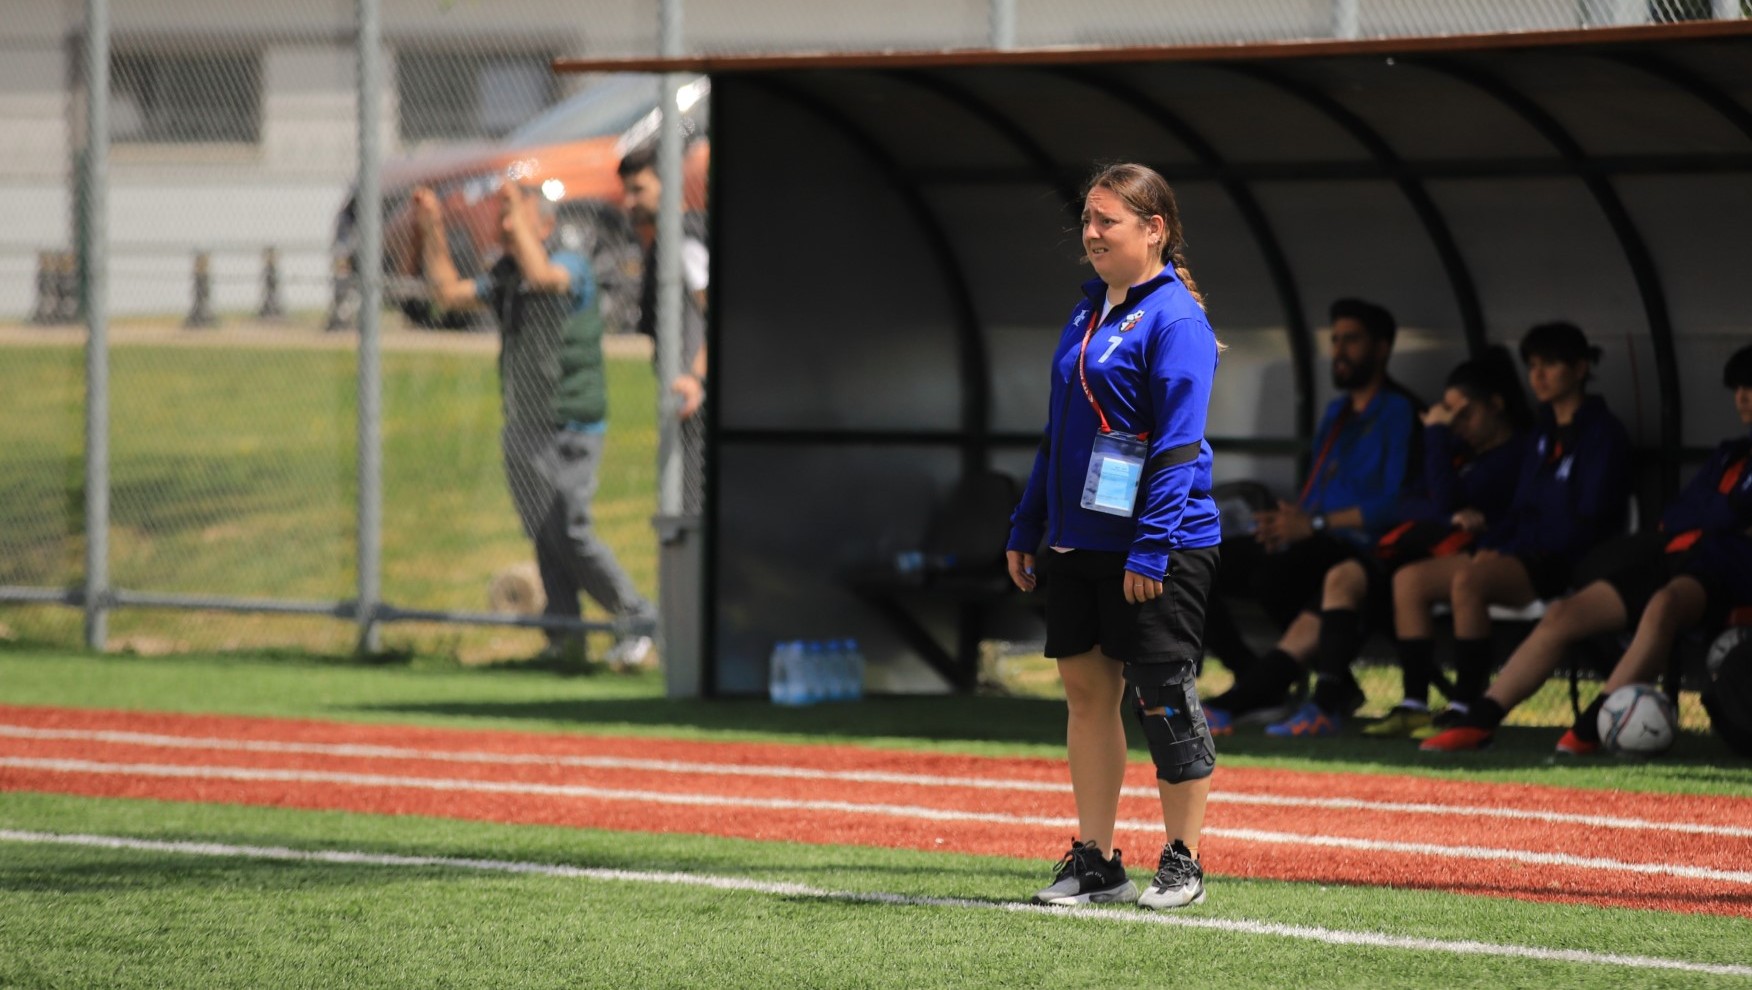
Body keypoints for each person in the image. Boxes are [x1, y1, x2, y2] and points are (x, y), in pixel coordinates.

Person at [1007, 163, 1222, 910]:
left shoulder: (1177, 319)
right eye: (1089, 221)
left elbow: (1177, 444)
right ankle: (1097, 860)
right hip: (1077, 542)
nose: (1091, 234)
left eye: (1109, 222)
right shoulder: (1087, 309)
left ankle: (1184, 860)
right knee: (1085, 693)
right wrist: (1029, 523)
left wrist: (1152, 545)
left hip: (1158, 544)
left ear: (1154, 229)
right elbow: (1057, 431)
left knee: (1162, 694)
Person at [1421, 343, 1752, 752]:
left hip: (1730, 567)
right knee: (1566, 613)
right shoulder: (1729, 453)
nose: (1743, 397)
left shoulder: (1601, 431)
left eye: (1751, 388)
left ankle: (1595, 725)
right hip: (1677, 554)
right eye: (1738, 388)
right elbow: (1679, 514)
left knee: (1664, 605)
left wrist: (1718, 516)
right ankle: (1480, 719)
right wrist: (1723, 515)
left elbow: (1716, 514)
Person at [414, 182, 657, 668]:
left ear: (544, 226)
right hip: (523, 423)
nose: (504, 225)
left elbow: (544, 278)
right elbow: (446, 294)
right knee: (546, 536)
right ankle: (564, 640)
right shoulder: (506, 275)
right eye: (503, 218)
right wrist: (432, 229)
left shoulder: (570, 265)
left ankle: (639, 620)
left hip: (572, 423)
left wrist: (516, 214)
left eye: (516, 217)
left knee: (570, 531)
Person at [1256, 349, 1533, 738]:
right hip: (1447, 554)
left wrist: (1435, 434)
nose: (1457, 426)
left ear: (1496, 405)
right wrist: (1448, 511)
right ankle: (1414, 703)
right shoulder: (1460, 454)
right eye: (1448, 416)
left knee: (1446, 579)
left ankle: (1465, 702)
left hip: (1502, 556)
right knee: (1402, 579)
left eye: (1464, 414)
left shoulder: (1517, 451)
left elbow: (1449, 499)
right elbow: (1418, 502)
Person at [1392, 322, 1631, 735]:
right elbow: (1521, 506)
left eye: (1550, 365)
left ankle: (1467, 702)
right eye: (1533, 365)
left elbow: (1587, 517)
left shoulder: (1602, 433)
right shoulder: (1540, 432)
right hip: (1519, 550)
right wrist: (1499, 543)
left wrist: (1511, 548)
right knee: (1410, 580)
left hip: (1561, 560)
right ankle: (1413, 702)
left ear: (1579, 368)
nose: (1538, 376)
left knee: (1469, 579)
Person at [1201, 298, 1423, 727]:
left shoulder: (1400, 412)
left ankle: (1279, 693)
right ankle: (1252, 675)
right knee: (1196, 566)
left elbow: (1396, 504)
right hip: (1312, 540)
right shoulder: (1338, 411)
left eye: (1352, 340)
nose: (1339, 351)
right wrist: (1286, 524)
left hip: (1363, 550)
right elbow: (1317, 490)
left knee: (1279, 577)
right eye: (1335, 340)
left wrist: (1313, 524)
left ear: (1381, 348)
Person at [618, 146, 710, 516]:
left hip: (696, 398)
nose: (628, 201)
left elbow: (718, 313)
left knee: (689, 510)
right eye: (626, 190)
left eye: (638, 190)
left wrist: (697, 378)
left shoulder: (684, 239)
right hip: (685, 398)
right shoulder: (663, 240)